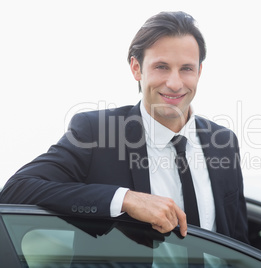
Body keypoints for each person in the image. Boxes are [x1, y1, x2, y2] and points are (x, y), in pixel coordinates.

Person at [0, 11, 248, 243]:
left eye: (186, 69)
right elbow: (16, 190)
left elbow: (239, 241)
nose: (175, 83)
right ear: (136, 68)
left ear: (199, 71)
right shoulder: (96, 133)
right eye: (161, 67)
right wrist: (124, 199)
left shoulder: (224, 142)